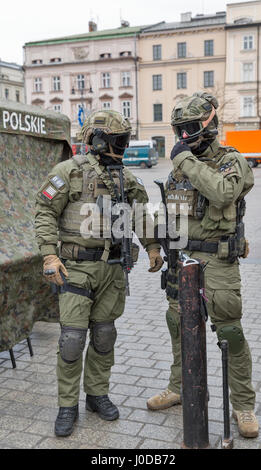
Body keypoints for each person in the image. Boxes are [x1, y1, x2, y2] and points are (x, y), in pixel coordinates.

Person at [35, 110, 163, 437]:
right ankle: (67, 405)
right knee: (72, 340)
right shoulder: (68, 172)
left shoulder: (125, 179)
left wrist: (151, 247)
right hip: (75, 268)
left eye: (124, 140)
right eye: (118, 141)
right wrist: (50, 255)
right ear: (100, 140)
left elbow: (140, 216)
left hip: (113, 269)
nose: (122, 147)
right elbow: (45, 211)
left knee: (104, 336)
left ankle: (97, 395)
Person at [147, 92, 259, 439]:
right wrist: (155, 244)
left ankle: (242, 405)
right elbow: (166, 212)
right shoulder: (180, 169)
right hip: (181, 258)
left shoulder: (232, 161)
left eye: (191, 128)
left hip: (218, 261)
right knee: (178, 325)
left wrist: (185, 162)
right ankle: (180, 387)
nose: (183, 137)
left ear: (209, 125)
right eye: (179, 130)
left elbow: (223, 193)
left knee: (229, 333)